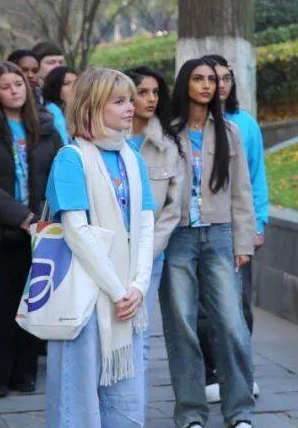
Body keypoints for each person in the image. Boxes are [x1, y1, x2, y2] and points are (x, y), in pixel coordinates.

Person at [44, 68, 156, 428]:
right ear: (92, 106)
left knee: (126, 402)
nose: (131, 107)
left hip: (127, 298)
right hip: (86, 298)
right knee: (76, 404)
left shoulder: (132, 157)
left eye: (130, 99)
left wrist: (138, 286)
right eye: (119, 101)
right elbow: (77, 233)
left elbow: (145, 225)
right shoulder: (71, 158)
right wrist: (119, 290)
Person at [0, 61, 64, 397]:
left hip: (38, 232)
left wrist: (43, 219)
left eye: (18, 84)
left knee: (31, 303)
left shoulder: (46, 128)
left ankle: (24, 372)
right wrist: (19, 215)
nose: (14, 91)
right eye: (5, 87)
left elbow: (61, 174)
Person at [161, 58, 255, 428]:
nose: (206, 85)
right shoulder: (166, 131)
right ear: (185, 83)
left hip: (219, 235)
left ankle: (240, 412)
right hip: (177, 237)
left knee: (232, 324)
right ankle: (191, 413)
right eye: (198, 78)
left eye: (212, 80)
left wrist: (243, 243)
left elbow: (242, 191)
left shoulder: (229, 131)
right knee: (182, 327)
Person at [204, 54, 268, 400]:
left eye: (226, 78)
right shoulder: (188, 124)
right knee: (203, 306)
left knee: (240, 304)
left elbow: (256, 179)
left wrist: (258, 223)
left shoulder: (245, 124)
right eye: (213, 78)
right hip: (200, 228)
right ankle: (210, 372)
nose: (220, 85)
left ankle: (242, 371)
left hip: (238, 227)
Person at [123, 66, 184, 391]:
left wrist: (148, 250)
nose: (151, 99)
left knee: (140, 332)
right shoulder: (107, 139)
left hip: (149, 255)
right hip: (109, 252)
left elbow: (173, 209)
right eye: (142, 92)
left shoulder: (168, 143)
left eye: (156, 92)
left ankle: (135, 406)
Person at [42, 65, 79, 144]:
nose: (74, 87)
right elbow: (63, 144)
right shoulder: (52, 111)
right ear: (55, 87)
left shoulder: (77, 112)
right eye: (67, 83)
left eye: (77, 83)